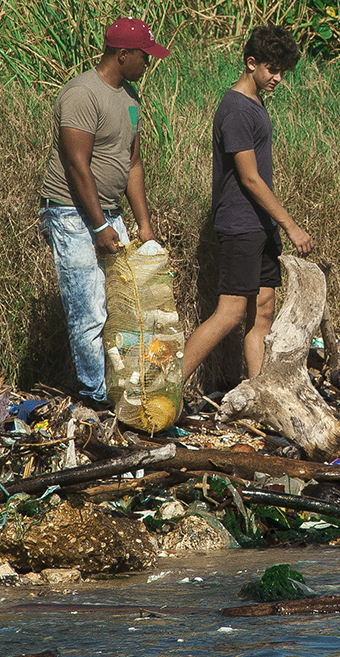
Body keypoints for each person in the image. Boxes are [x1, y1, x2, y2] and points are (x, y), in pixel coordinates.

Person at [39, 17, 170, 411]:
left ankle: (125, 391)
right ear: (122, 54)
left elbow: (132, 164)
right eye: (144, 56)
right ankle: (95, 397)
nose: (149, 62)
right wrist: (97, 224)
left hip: (108, 213)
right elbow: (77, 164)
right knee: (89, 311)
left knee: (124, 306)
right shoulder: (82, 94)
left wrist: (143, 224)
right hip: (71, 213)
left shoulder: (130, 98)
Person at [182, 25, 313, 382]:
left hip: (261, 225)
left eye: (283, 71)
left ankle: (259, 393)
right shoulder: (236, 108)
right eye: (272, 69)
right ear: (251, 63)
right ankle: (168, 387)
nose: (278, 78)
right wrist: (291, 225)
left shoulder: (256, 103)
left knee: (264, 312)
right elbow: (249, 177)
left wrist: (274, 224)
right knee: (230, 313)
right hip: (241, 224)